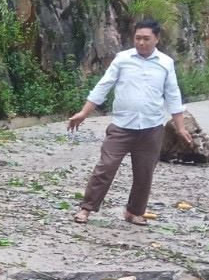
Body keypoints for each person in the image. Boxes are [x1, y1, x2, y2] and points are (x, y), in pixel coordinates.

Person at [68, 19, 193, 226]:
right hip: (121, 126)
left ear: (156, 39)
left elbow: (173, 96)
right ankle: (86, 208)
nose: (141, 43)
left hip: (151, 129)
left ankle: (134, 212)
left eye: (146, 39)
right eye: (138, 38)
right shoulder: (122, 59)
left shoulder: (165, 63)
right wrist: (84, 113)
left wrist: (180, 128)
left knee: (144, 173)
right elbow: (103, 86)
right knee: (105, 167)